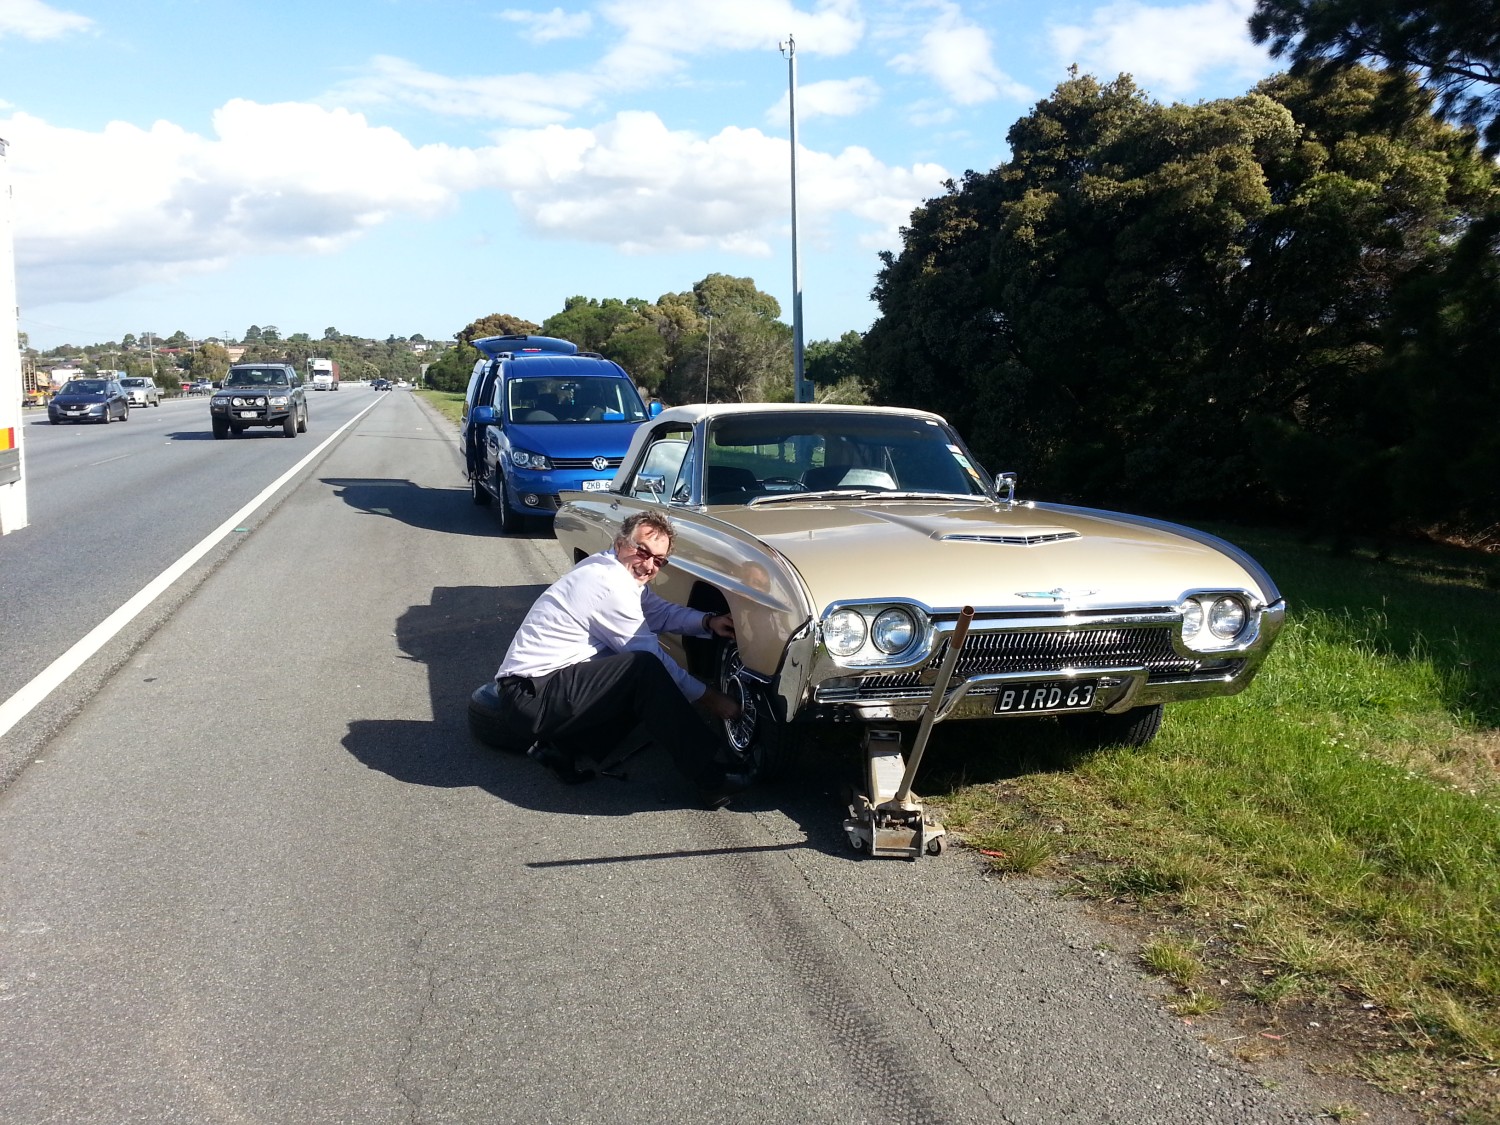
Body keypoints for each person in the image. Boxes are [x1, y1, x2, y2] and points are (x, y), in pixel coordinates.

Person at [493, 510, 747, 808]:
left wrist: (707, 622)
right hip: (531, 695)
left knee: (633, 677)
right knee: (643, 670)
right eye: (642, 551)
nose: (649, 565)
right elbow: (650, 658)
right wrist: (711, 698)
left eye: (659, 560)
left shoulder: (614, 571)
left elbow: (658, 612)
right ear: (619, 543)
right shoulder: (606, 583)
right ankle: (711, 779)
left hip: (541, 688)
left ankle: (559, 750)